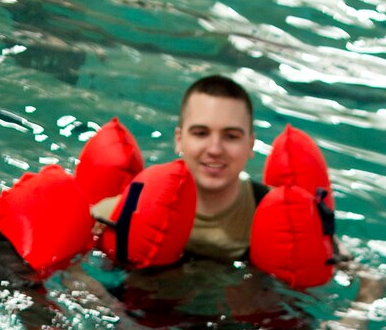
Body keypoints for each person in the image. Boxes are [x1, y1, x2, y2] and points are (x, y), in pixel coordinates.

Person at [91, 74, 262, 261]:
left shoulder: (275, 215)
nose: (215, 149)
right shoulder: (120, 213)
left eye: (231, 136)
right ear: (179, 140)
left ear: (251, 144)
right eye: (201, 133)